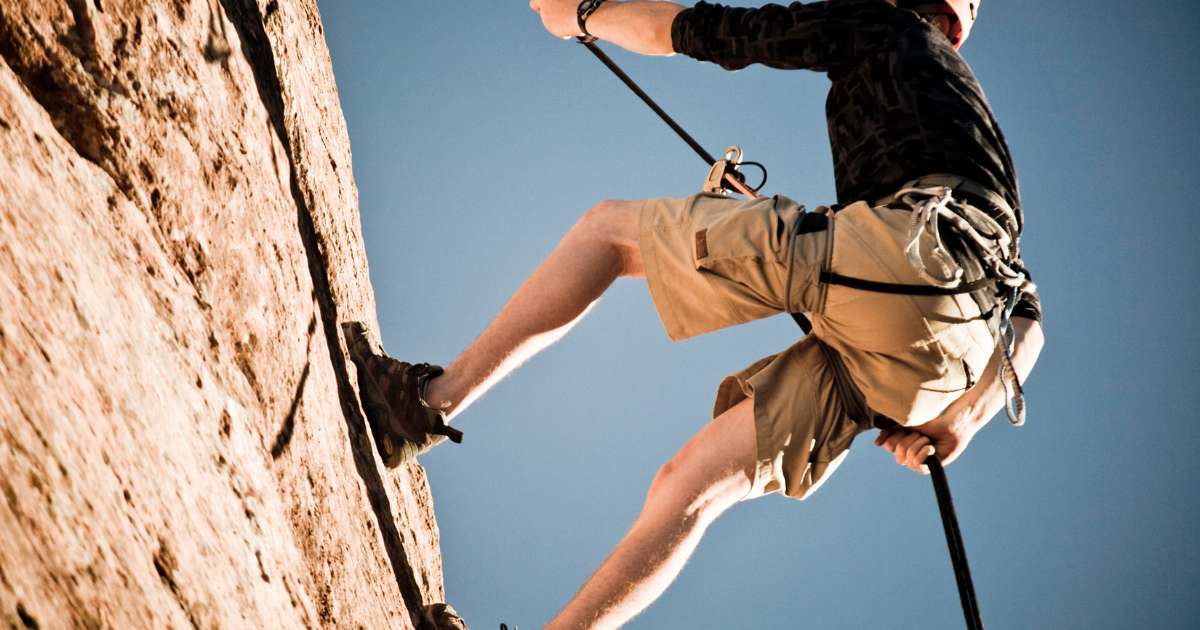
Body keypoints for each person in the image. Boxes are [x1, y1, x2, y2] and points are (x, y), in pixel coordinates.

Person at [344, 1, 1046, 627]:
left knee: (608, 234)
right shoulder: (978, 136)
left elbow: (712, 32)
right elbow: (1029, 318)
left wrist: (584, 14)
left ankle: (422, 405)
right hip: (960, 350)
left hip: (906, 262)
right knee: (692, 483)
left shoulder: (881, 23)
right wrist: (960, 421)